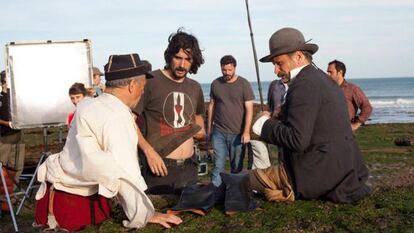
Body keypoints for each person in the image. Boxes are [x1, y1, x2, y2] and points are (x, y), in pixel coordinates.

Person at [35, 54, 182, 230]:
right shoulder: (117, 116)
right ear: (131, 85)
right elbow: (124, 172)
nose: (143, 91)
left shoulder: (88, 104)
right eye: (143, 86)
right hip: (73, 208)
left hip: (54, 198)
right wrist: (144, 214)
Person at [251, 27, 370, 203]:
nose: (276, 71)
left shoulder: (303, 85)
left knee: (240, 181)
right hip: (344, 171)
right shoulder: (323, 80)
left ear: (299, 56)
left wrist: (263, 124)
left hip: (318, 175)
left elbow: (297, 139)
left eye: (279, 63)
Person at [133, 29, 206, 195]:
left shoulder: (195, 87)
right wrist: (148, 152)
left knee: (190, 215)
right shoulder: (150, 81)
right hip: (159, 167)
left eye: (188, 59)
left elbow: (198, 115)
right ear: (169, 56)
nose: (182, 64)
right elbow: (129, 120)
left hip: (190, 167)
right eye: (178, 58)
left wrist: (202, 132)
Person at [207, 55, 254, 187]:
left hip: (238, 134)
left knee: (237, 168)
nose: (226, 73)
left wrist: (246, 132)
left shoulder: (244, 84)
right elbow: (211, 106)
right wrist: (209, 131)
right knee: (217, 166)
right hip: (219, 132)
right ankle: (215, 195)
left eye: (229, 70)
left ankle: (234, 195)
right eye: (224, 70)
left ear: (234, 67)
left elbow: (249, 109)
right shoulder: (215, 84)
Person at [327, 60, 373, 131]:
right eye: (327, 72)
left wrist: (356, 124)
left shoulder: (352, 89)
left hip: (345, 133)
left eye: (331, 72)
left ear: (340, 72)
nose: (328, 75)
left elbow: (367, 107)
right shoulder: (326, 89)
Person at [0, 70, 25, 186]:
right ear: (4, 80)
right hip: (4, 136)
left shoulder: (16, 95)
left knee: (17, 166)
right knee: (3, 165)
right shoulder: (1, 95)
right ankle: (2, 194)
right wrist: (6, 123)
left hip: (18, 134)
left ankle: (12, 194)